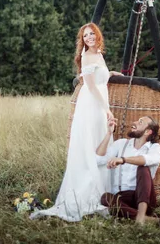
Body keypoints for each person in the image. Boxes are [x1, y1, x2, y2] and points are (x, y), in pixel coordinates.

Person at [30, 22, 123, 222]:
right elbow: (90, 86)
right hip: (92, 105)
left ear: (97, 36)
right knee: (90, 145)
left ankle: (101, 190)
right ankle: (86, 192)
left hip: (99, 103)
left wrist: (111, 74)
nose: (88, 37)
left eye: (91, 34)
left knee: (102, 141)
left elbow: (99, 76)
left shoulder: (98, 54)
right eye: (85, 36)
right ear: (82, 40)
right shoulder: (86, 55)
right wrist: (106, 109)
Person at [96, 115, 160, 225]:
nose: (135, 122)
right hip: (122, 198)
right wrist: (109, 133)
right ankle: (146, 219)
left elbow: (146, 159)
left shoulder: (155, 148)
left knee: (143, 168)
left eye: (140, 122)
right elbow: (98, 160)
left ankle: (141, 215)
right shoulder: (121, 144)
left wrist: (123, 160)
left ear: (148, 132)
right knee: (105, 198)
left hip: (143, 198)